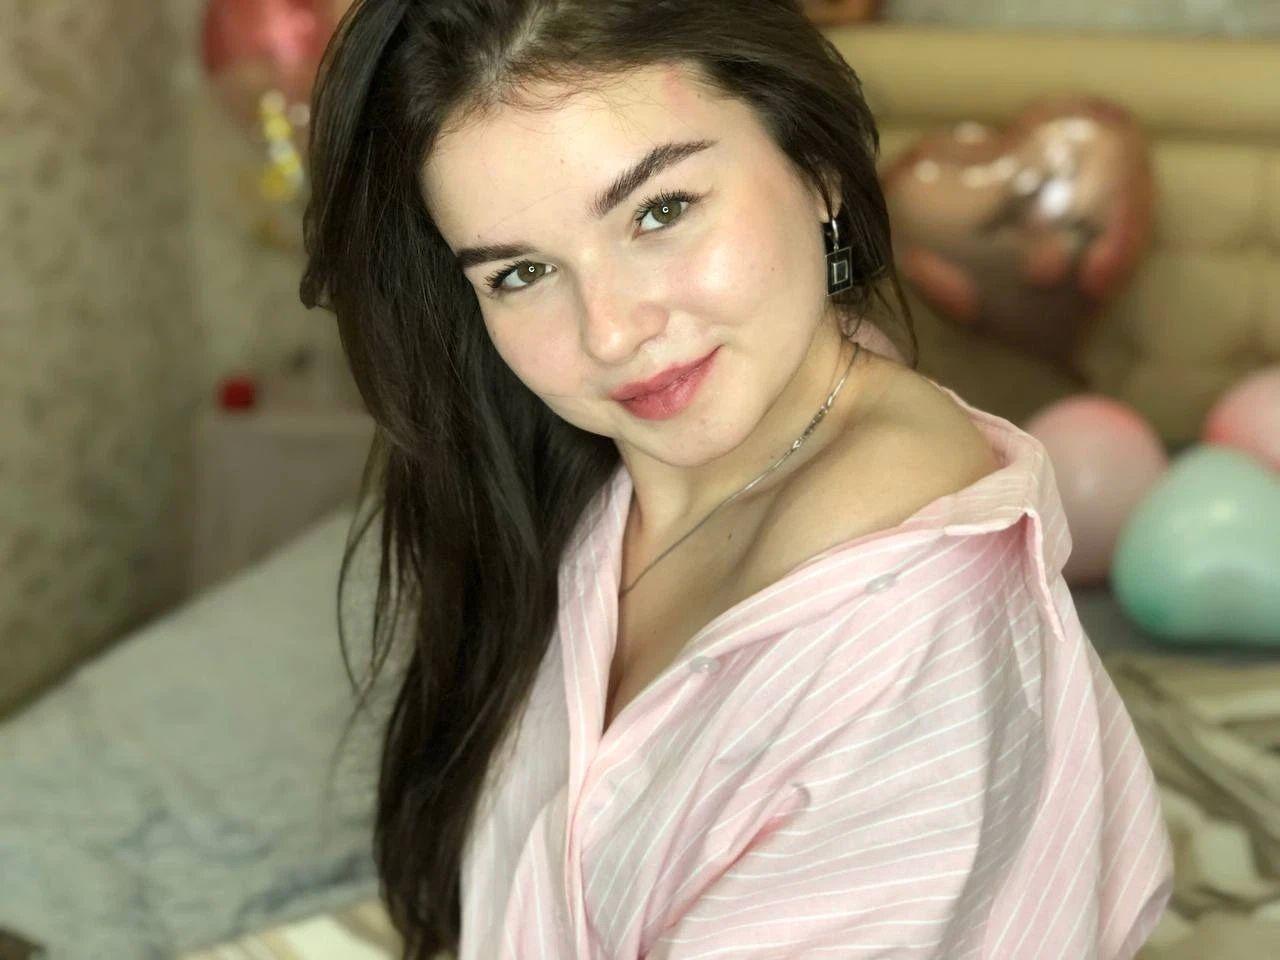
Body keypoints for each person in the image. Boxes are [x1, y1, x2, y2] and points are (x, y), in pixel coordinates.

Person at [299, 1, 1175, 957]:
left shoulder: (905, 611)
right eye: (519, 273)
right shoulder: (582, 482)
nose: (611, 332)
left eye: (660, 211)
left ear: (818, 171)